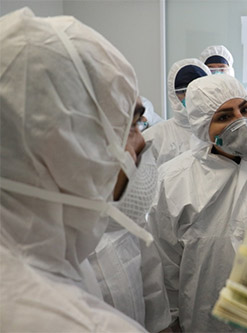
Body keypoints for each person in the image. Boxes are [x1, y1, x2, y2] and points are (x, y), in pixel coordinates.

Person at [0, 8, 152, 331]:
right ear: (66, 144)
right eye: (129, 125)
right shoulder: (84, 325)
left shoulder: (56, 260)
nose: (140, 144)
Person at [149, 74, 247, 332]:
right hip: (204, 318)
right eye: (224, 116)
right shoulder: (174, 181)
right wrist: (171, 321)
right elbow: (165, 266)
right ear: (202, 126)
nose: (241, 121)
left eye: (244, 109)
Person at [88, 98, 171, 332]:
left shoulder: (125, 222)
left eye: (136, 125)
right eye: (124, 129)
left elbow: (153, 297)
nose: (142, 141)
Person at [143, 58, 210, 166]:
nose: (191, 97)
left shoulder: (218, 133)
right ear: (173, 94)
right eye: (183, 91)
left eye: (197, 91)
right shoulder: (154, 137)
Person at [200, 44, 247, 141]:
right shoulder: (199, 107)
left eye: (222, 69)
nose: (217, 74)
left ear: (230, 71)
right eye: (211, 69)